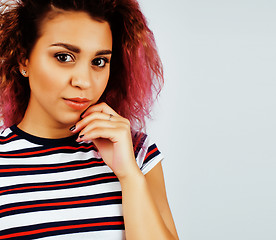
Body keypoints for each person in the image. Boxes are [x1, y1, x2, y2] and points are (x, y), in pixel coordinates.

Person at [0, 0, 179, 239]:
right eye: (64, 57)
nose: (84, 81)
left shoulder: (136, 153)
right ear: (24, 59)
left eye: (99, 61)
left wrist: (128, 175)